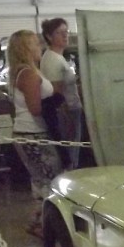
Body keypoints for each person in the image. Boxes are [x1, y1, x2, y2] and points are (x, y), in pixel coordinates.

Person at [7, 29, 64, 238]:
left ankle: (39, 220)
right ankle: (45, 224)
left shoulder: (21, 71)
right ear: (26, 48)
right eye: (35, 44)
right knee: (51, 178)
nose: (39, 47)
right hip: (34, 133)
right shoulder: (29, 74)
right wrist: (55, 101)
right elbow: (35, 108)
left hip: (26, 132)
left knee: (40, 180)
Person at [39, 17, 82, 165]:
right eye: (59, 33)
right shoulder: (52, 59)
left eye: (66, 31)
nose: (65, 36)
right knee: (70, 154)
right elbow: (56, 93)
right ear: (49, 36)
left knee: (73, 151)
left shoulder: (58, 57)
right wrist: (67, 116)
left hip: (71, 109)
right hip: (66, 111)